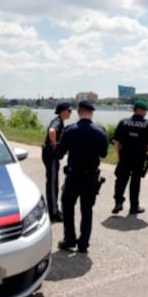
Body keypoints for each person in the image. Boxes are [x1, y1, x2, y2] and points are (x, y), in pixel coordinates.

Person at [55, 100, 109, 253]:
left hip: (73, 176)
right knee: (87, 210)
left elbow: (59, 153)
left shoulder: (70, 130)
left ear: (78, 112)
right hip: (91, 177)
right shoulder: (100, 131)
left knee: (67, 206)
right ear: (92, 113)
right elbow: (104, 154)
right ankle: (84, 243)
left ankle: (69, 239)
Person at [112, 100, 148, 215]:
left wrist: (119, 155)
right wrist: (145, 151)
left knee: (121, 180)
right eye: (145, 110)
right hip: (139, 158)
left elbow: (117, 142)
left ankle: (118, 202)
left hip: (124, 157)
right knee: (135, 182)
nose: (146, 113)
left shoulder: (123, 122)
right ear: (141, 111)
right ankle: (134, 207)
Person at [42, 101, 72, 222]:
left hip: (49, 154)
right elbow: (52, 131)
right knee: (53, 184)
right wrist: (55, 145)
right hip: (51, 155)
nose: (70, 113)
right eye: (69, 110)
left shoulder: (59, 121)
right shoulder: (57, 121)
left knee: (52, 182)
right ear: (63, 111)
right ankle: (53, 213)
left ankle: (53, 209)